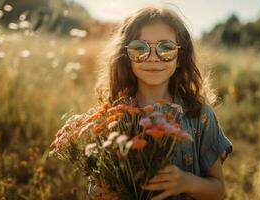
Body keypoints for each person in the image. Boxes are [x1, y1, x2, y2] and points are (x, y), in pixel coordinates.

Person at [90, 6, 233, 200]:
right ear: (126, 56)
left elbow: (218, 191)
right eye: (140, 48)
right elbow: (94, 189)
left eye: (166, 48)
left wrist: (187, 182)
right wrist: (101, 193)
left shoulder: (199, 115)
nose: (153, 58)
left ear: (180, 57)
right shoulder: (113, 118)